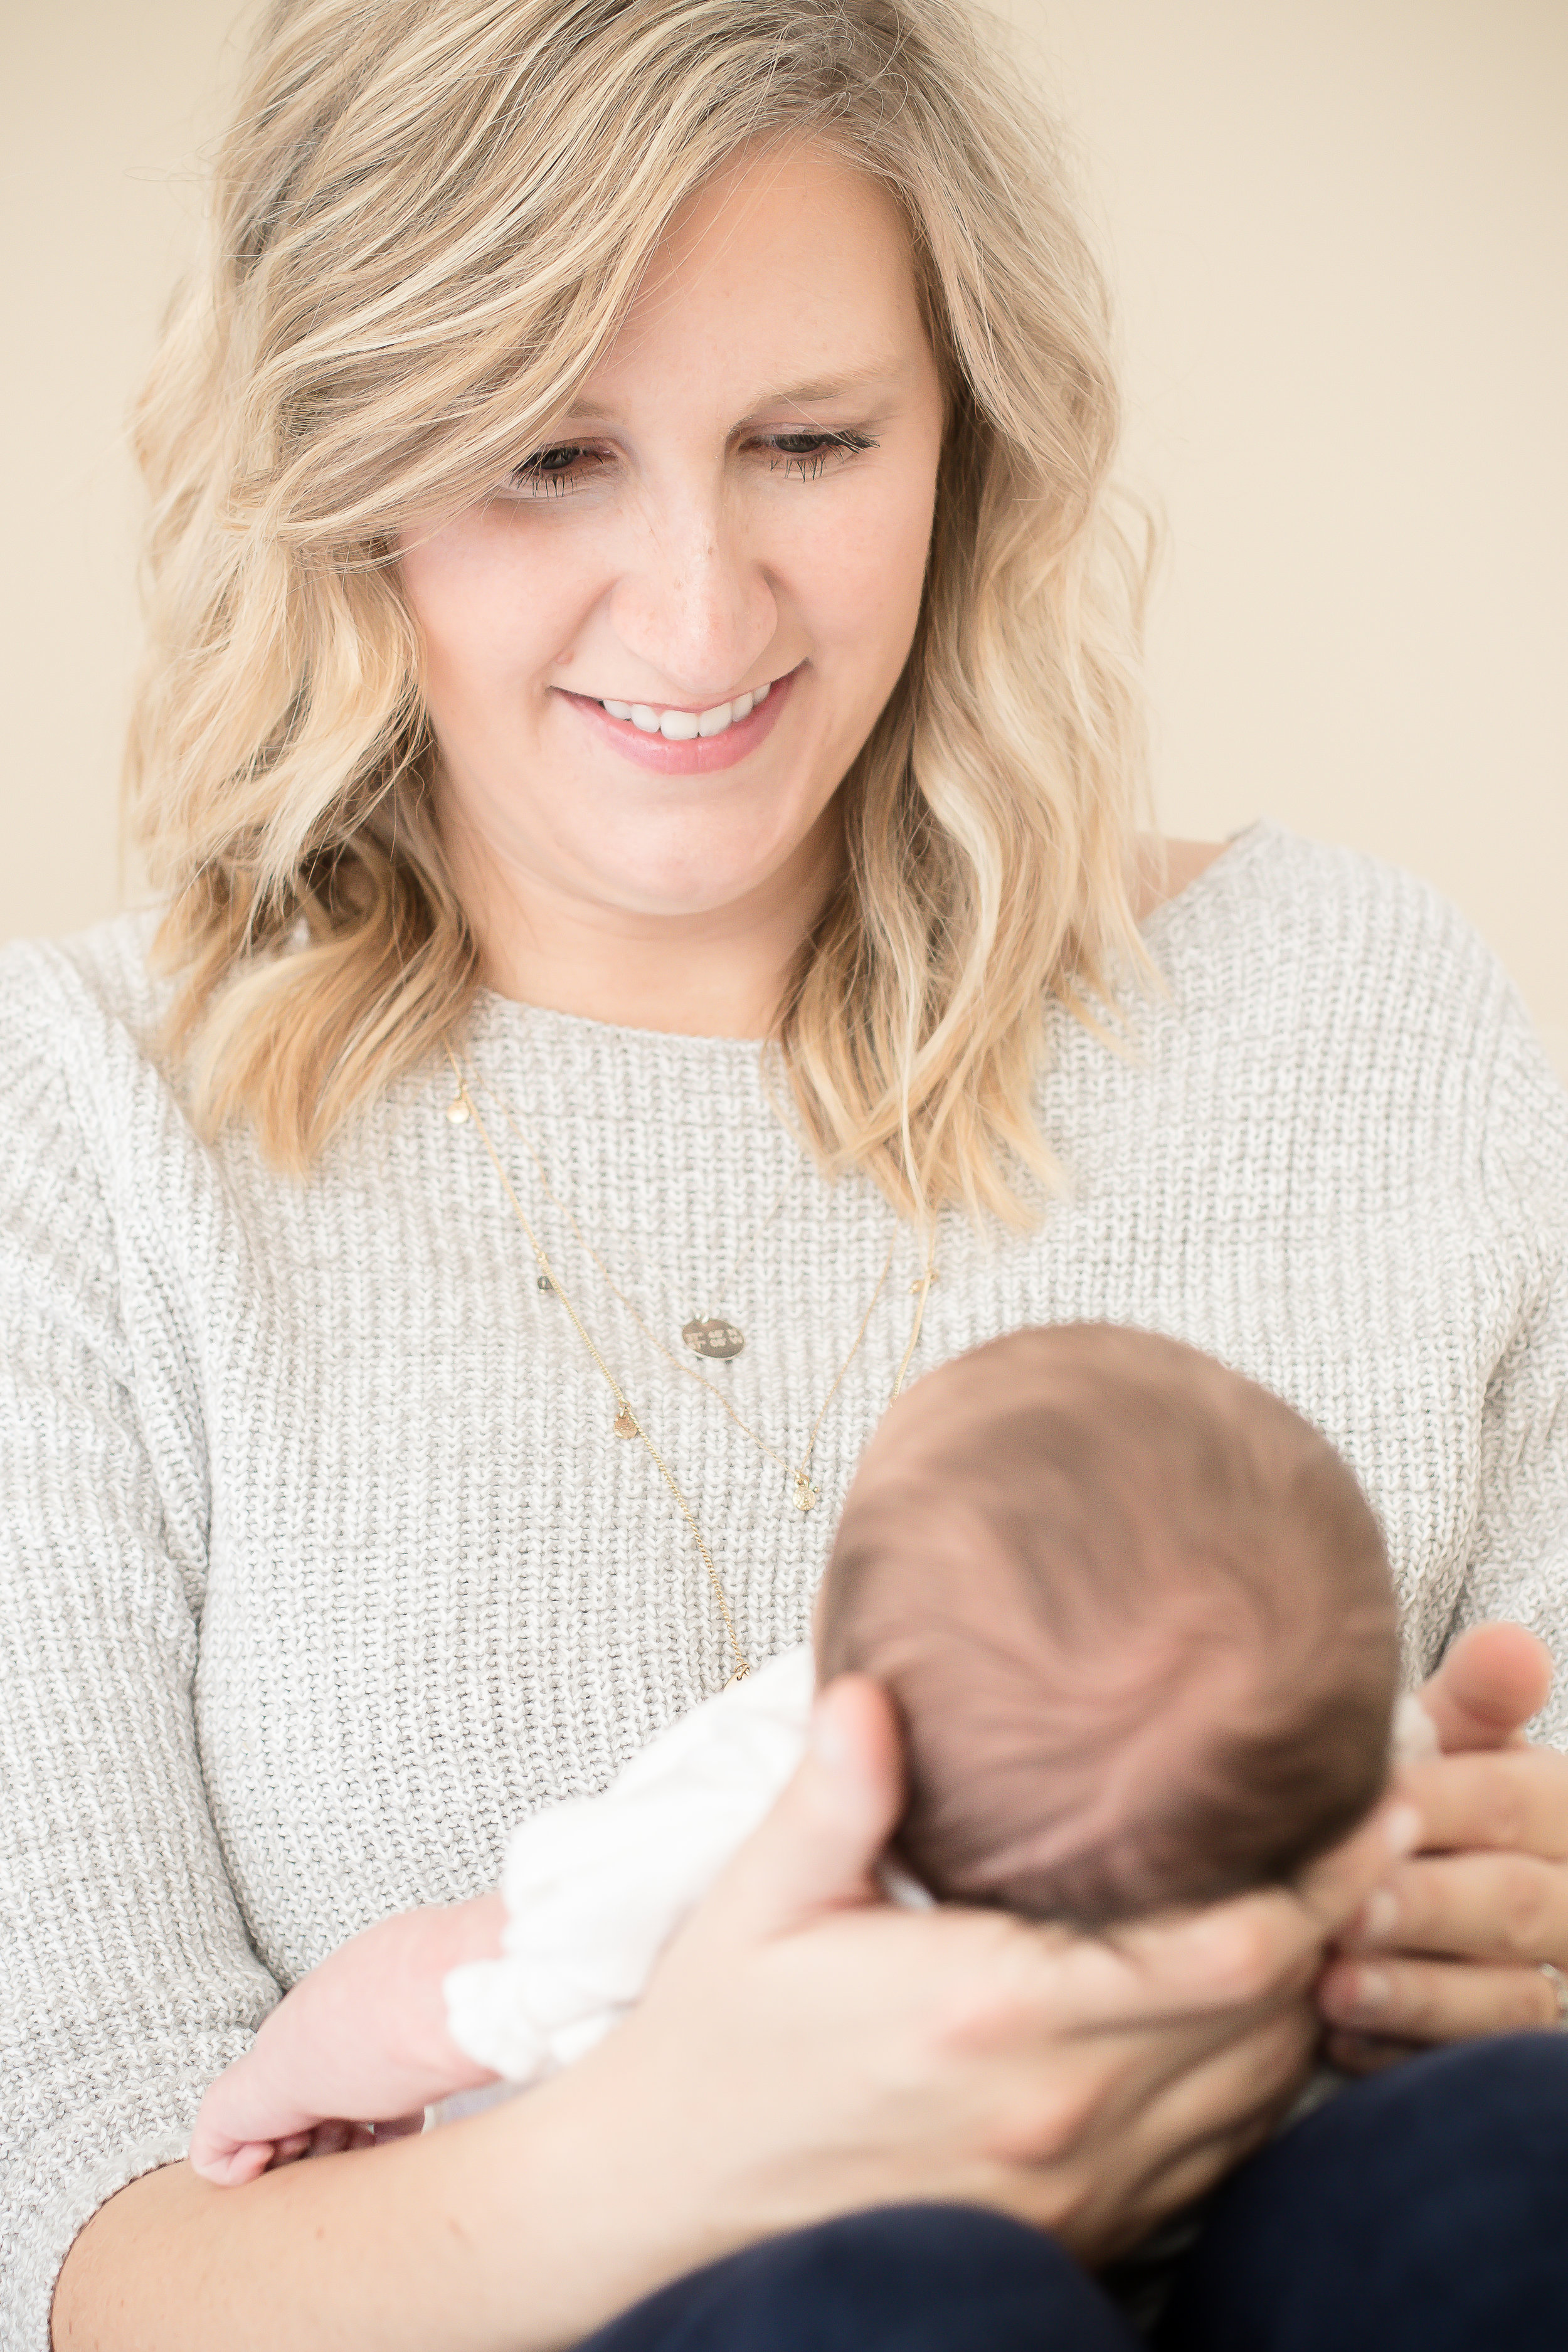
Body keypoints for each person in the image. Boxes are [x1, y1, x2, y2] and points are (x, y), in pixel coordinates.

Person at [2, 1, 1565, 2347]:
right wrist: (649, 2164)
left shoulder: (1357, 1010)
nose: (702, 613)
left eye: (810, 442)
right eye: (545, 460)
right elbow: (78, 2232)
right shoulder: (93, 1130)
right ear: (340, 473)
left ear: (965, 442)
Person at [186, 1322, 1421, 2187]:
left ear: (842, 1652)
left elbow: (450, 1985)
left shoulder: (755, 1800)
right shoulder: (1328, 1809)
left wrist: (270, 2093)